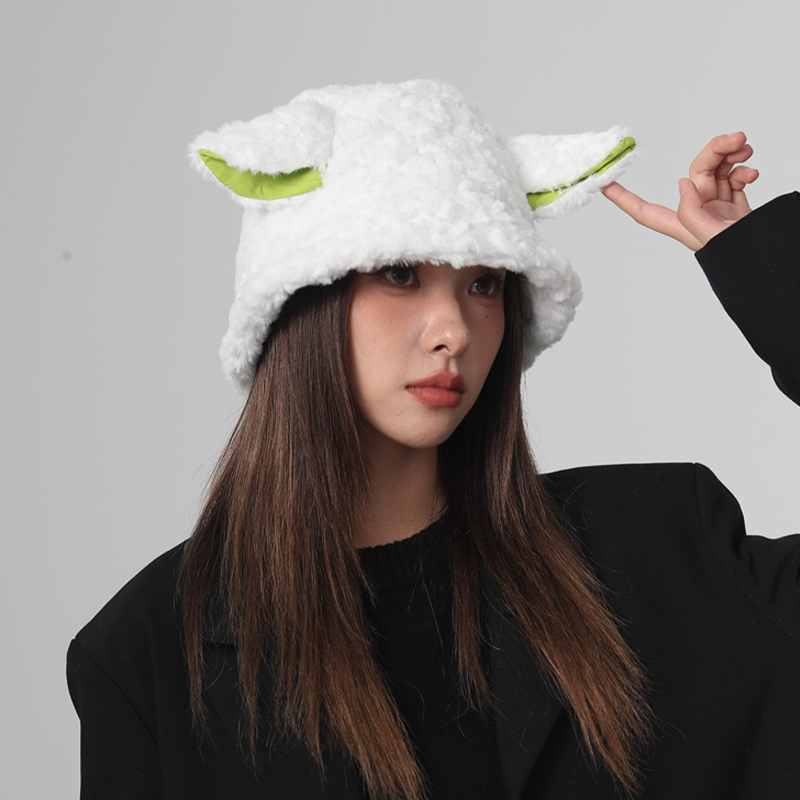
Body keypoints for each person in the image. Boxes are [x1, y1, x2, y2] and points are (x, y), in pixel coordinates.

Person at [66, 80, 800, 800]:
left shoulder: (653, 543)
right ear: (302, 298)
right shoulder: (149, 654)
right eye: (399, 273)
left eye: (485, 285)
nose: (454, 331)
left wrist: (767, 271)